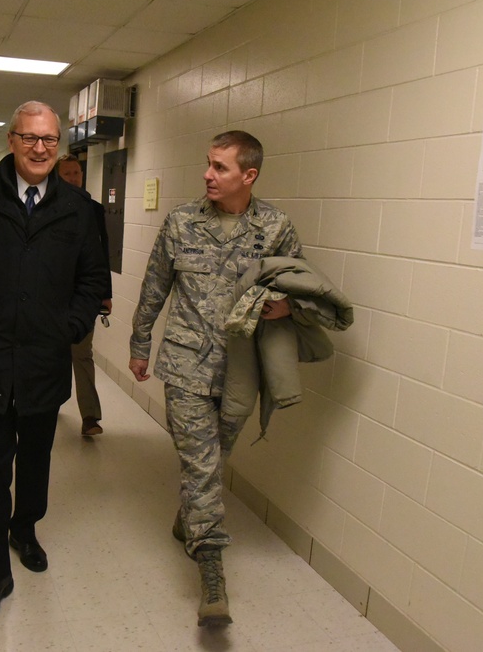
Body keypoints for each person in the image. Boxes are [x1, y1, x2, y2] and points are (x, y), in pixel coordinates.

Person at [0, 101, 109, 625]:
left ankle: (25, 527)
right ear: (11, 140)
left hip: (43, 361)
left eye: (50, 140)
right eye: (30, 138)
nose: (40, 149)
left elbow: (93, 282)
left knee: (35, 461)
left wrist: (69, 328)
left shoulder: (79, 209)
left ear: (60, 145)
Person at [128, 131, 303, 627]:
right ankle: (212, 578)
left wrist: (288, 306)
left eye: (220, 167)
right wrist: (140, 345)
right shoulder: (181, 223)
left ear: (248, 175)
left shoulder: (275, 228)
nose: (208, 174)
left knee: (213, 459)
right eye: (208, 164)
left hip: (242, 371)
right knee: (202, 467)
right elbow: (154, 286)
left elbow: (301, 286)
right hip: (184, 365)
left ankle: (190, 521)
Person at [55, 154, 111, 436]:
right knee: (53, 353)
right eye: (67, 173)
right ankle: (49, 402)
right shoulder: (45, 208)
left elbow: (102, 255)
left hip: (84, 295)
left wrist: (105, 293)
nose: (73, 178)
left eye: (76, 172)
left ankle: (90, 416)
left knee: (82, 352)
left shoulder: (94, 209)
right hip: (51, 293)